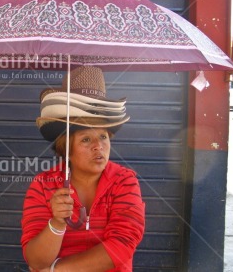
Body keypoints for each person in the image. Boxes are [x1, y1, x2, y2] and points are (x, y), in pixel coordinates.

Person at [21, 66, 145, 271]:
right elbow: (35, 260)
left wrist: (56, 270)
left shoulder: (124, 181)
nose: (99, 146)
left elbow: (122, 246)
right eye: (86, 139)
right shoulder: (43, 185)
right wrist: (57, 223)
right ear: (66, 149)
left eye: (103, 137)